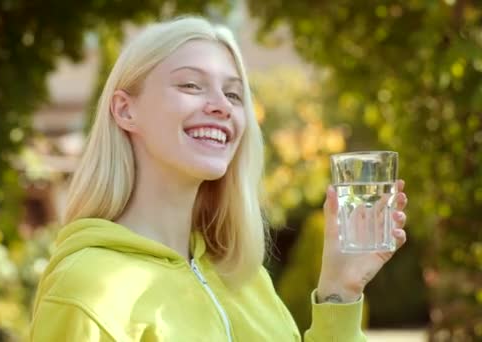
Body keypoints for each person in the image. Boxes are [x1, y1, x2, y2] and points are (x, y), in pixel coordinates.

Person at [29, 16, 409, 341]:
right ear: (126, 110)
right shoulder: (86, 289)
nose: (221, 106)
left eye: (233, 93)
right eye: (191, 85)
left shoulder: (245, 278)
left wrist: (338, 292)